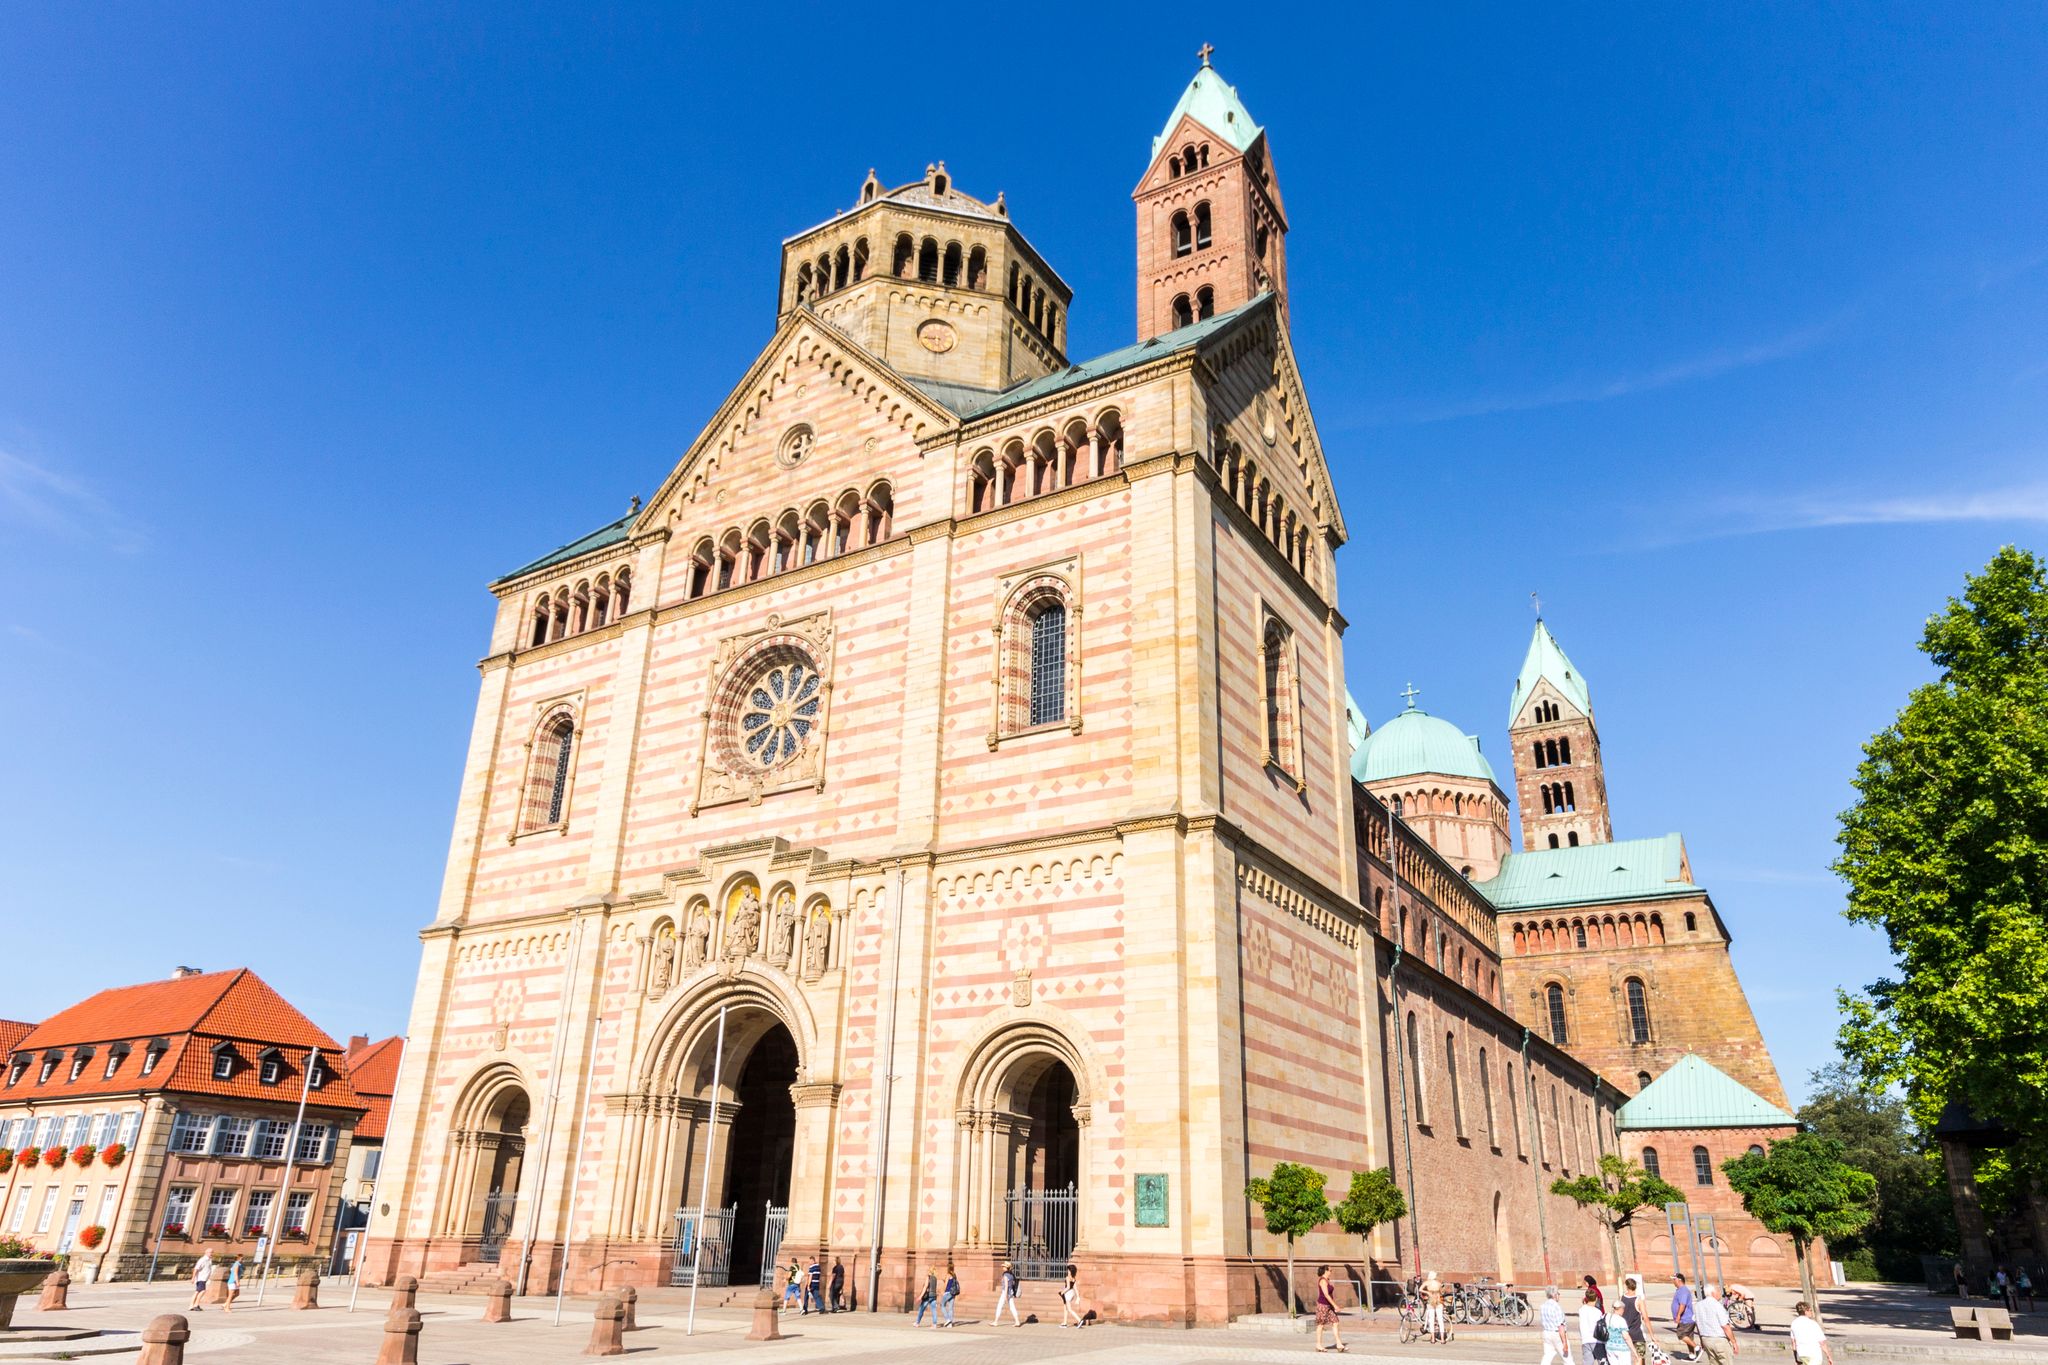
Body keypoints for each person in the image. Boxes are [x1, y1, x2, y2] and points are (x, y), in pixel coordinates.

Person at [1694, 1284, 1738, 1365]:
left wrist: (1701, 1340)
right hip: (1719, 1340)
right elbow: (1725, 1326)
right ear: (1713, 1293)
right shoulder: (1717, 1306)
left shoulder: (1698, 1305)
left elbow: (1698, 1324)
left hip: (1706, 1339)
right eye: (1718, 1291)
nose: (1720, 1293)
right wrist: (1734, 1342)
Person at [1314, 1265, 1347, 1353]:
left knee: (1335, 1322)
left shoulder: (1327, 1280)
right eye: (1330, 1270)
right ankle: (1318, 1345)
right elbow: (1326, 1295)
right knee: (1320, 1325)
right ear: (1326, 1271)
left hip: (1329, 1306)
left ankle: (1339, 1344)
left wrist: (1332, 1305)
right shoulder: (1322, 1281)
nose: (1331, 1272)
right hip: (1323, 1305)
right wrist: (1335, 1305)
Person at [1670, 1271, 1700, 1360]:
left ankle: (1697, 1348)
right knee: (1689, 1337)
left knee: (1681, 1334)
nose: (1673, 1282)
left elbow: (1682, 1304)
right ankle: (1692, 1355)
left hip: (1685, 1319)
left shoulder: (1683, 1291)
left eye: (1674, 1279)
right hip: (1687, 1319)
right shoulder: (1680, 1290)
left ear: (1679, 1280)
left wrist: (1678, 1315)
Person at [1538, 1286, 1570, 1365]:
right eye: (1558, 1293)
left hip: (1546, 1333)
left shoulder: (1543, 1306)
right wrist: (1565, 1343)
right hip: (1557, 1334)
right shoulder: (1556, 1307)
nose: (1559, 1295)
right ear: (1554, 1295)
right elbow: (1560, 1326)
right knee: (1567, 1358)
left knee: (1548, 1356)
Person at [1605, 1295, 1637, 1365]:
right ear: (1620, 1309)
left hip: (1610, 1347)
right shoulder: (1621, 1320)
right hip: (1621, 1349)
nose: (1623, 1311)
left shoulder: (1607, 1317)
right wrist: (1634, 1351)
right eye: (1623, 1309)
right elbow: (1626, 1337)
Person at [1581, 1287, 1608, 1363]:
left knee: (1587, 1362)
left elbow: (1584, 1305)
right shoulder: (1597, 1312)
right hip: (1596, 1340)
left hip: (1585, 1340)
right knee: (1602, 1361)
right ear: (1596, 1298)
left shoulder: (1581, 1310)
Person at [1422, 1270, 1448, 1344]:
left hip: (1431, 1300)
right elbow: (1442, 1292)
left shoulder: (1427, 1282)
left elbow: (1420, 1289)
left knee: (1431, 1320)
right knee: (1440, 1320)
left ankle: (1433, 1339)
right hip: (1438, 1300)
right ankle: (1443, 1339)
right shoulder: (1438, 1283)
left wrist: (1427, 1292)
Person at [995, 1259, 1022, 1326]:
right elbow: (1012, 1284)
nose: (1002, 1267)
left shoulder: (1005, 1275)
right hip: (1011, 1292)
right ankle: (1017, 1321)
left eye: (1004, 1266)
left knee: (1000, 1306)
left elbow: (1006, 1286)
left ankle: (995, 1321)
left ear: (1007, 1268)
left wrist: (1005, 1295)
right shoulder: (1011, 1275)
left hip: (1005, 1292)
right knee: (1012, 1307)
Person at [940, 1262, 959, 1327]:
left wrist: (942, 1291)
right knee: (950, 1308)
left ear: (948, 1268)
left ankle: (947, 1319)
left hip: (948, 1292)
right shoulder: (954, 1275)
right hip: (953, 1293)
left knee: (942, 1305)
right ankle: (950, 1323)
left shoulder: (948, 1274)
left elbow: (946, 1285)